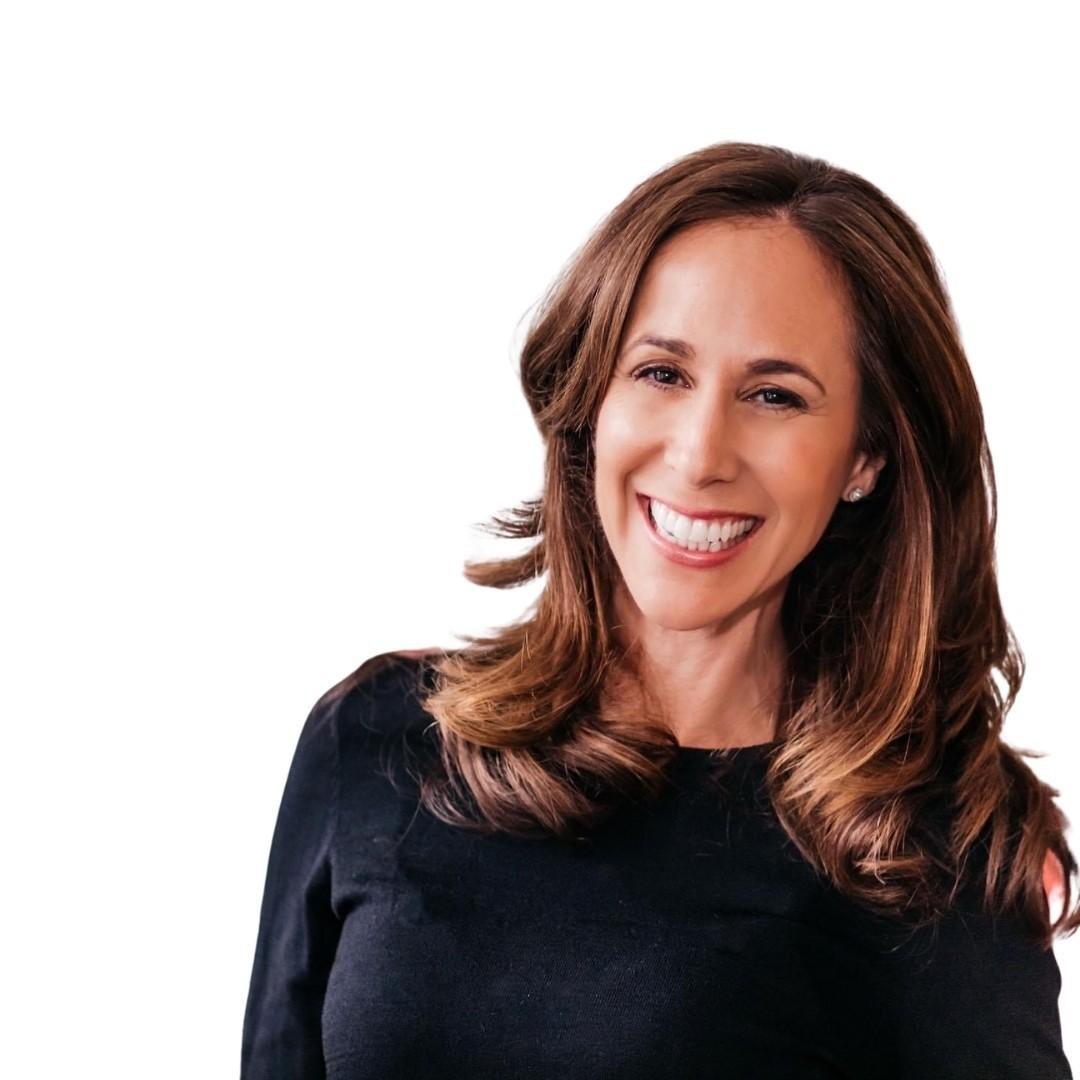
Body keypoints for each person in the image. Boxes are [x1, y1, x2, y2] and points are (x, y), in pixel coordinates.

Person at [240, 141, 1076, 1078]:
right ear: (591, 399)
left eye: (774, 395)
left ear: (865, 457)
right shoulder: (377, 741)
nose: (700, 453)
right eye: (661, 373)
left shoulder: (928, 853)